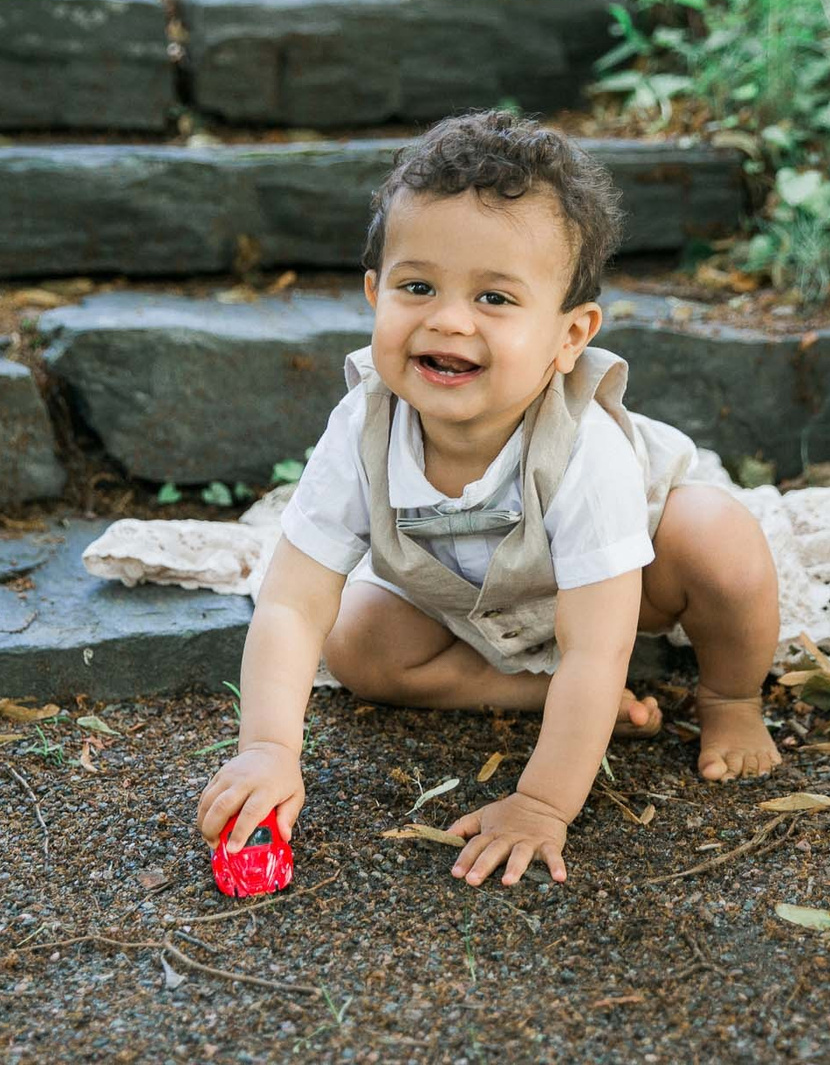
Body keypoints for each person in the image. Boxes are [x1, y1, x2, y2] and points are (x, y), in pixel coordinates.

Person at [196, 108, 782, 889]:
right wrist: (268, 748)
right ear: (374, 295)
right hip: (469, 604)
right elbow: (292, 603)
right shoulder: (364, 424)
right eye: (417, 287)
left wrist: (541, 804)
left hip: (624, 589)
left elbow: (597, 646)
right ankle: (538, 695)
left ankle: (731, 697)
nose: (447, 319)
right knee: (354, 640)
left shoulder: (584, 451)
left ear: (569, 337)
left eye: (495, 299)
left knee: (721, 539)